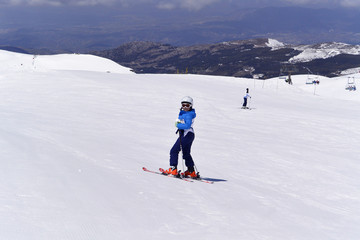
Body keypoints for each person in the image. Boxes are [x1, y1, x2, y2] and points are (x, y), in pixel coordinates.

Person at [164, 96, 197, 178]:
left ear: (191, 106)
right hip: (189, 134)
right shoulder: (185, 113)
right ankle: (191, 171)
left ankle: (173, 169)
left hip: (186, 134)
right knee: (186, 153)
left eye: (187, 105)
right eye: (183, 105)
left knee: (174, 150)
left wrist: (178, 125)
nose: (185, 107)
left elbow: (187, 125)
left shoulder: (188, 115)